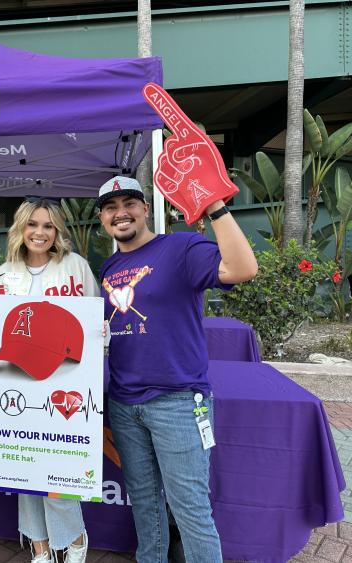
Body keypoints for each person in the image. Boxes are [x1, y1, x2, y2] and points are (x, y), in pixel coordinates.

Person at [97, 176, 257, 563]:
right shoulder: (108, 266)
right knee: (146, 505)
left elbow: (242, 269)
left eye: (130, 203)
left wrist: (215, 206)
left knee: (191, 510)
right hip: (124, 403)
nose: (122, 213)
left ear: (146, 209)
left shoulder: (181, 246)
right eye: (111, 207)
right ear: (102, 218)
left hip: (179, 401)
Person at [0, 198, 98, 563]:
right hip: (18, 385)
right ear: (20, 228)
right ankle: (38, 547)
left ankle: (74, 539)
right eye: (33, 224)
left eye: (48, 226)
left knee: (58, 467)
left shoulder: (76, 267)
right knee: (25, 465)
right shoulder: (5, 273)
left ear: (58, 231)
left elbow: (97, 327)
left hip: (65, 381)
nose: (40, 232)